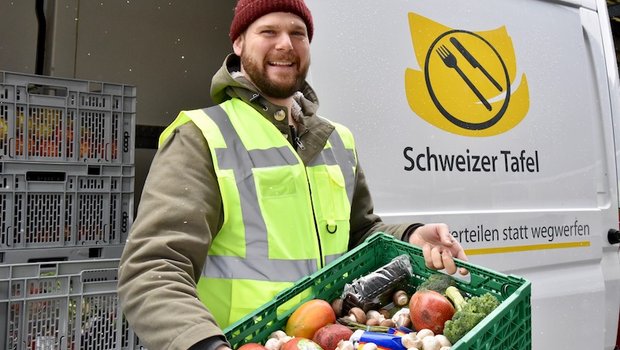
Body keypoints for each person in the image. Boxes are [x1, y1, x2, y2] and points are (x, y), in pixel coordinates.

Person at [117, 1, 467, 349]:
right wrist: (204, 344)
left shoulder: (337, 140)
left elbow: (359, 235)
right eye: (268, 31)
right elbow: (153, 270)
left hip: (328, 339)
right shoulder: (202, 135)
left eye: (297, 33)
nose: (285, 44)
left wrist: (409, 235)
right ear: (238, 44)